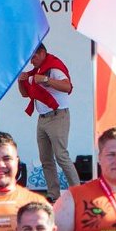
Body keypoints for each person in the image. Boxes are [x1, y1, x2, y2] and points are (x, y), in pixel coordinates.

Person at [15, 42, 75, 196]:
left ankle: (78, 192)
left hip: (57, 116)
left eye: (33, 57)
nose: (31, 61)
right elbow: (25, 94)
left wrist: (46, 80)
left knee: (61, 156)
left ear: (42, 53)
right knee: (46, 159)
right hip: (42, 118)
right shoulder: (36, 71)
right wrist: (21, 81)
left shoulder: (53, 67)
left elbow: (67, 87)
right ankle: (53, 194)